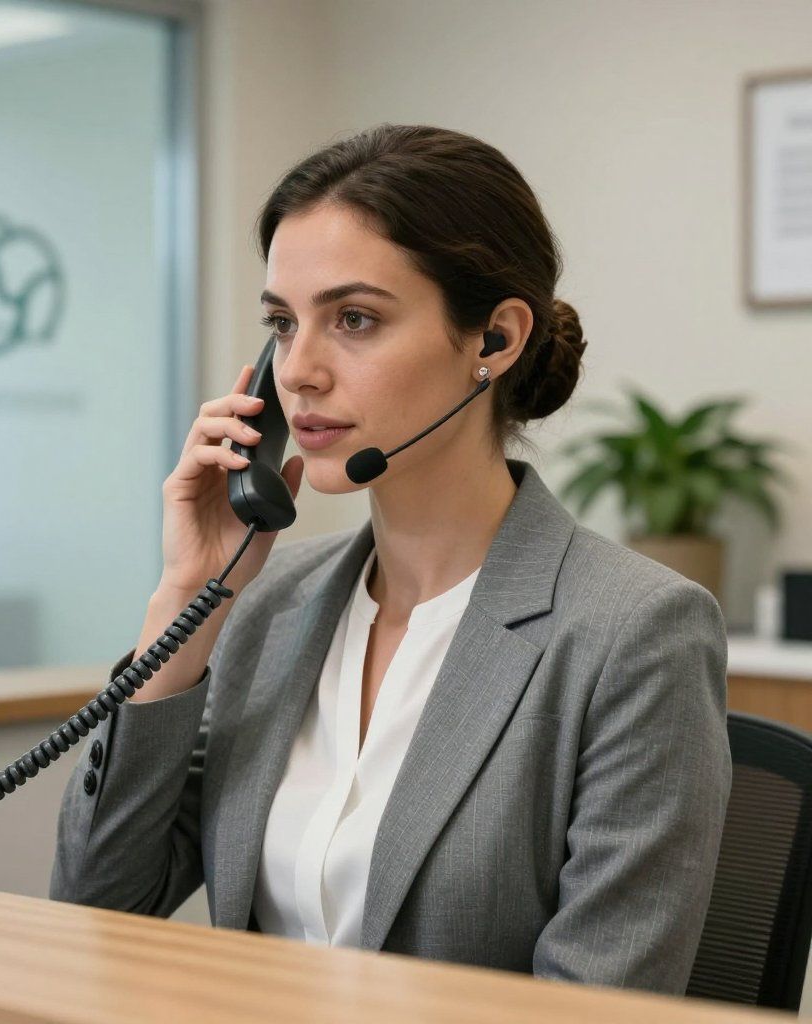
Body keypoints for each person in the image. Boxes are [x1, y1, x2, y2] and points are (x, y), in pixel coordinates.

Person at [50, 124, 731, 995]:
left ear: (494, 340)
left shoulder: (635, 633)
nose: (298, 372)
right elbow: (94, 907)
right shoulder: (267, 604)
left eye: (355, 320)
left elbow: (596, 1007)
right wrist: (188, 595)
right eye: (282, 324)